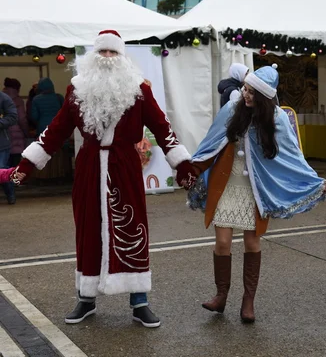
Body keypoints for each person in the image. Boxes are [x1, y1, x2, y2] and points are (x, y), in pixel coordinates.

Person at [12, 30, 196, 328]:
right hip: (89, 168)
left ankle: (139, 301)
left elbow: (162, 127)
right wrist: (27, 163)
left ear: (122, 58)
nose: (108, 58)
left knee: (133, 227)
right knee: (88, 229)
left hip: (124, 166)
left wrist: (182, 164)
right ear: (93, 57)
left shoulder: (139, 89)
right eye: (103, 53)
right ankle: (86, 298)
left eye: (113, 53)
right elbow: (56, 130)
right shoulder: (77, 90)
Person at [188, 64, 326, 323]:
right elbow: (210, 142)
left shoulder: (277, 118)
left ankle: (248, 301)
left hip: (257, 188)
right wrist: (190, 167)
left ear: (264, 96)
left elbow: (292, 156)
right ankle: (221, 296)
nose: (246, 94)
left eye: (252, 92)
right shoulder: (232, 109)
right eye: (245, 89)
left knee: (252, 243)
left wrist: (315, 182)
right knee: (222, 243)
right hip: (227, 184)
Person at [3, 78, 28, 167]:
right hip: (16, 136)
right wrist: (26, 132)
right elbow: (22, 119)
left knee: (3, 166)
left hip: (3, 135)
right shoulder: (18, 101)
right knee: (15, 167)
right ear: (17, 88)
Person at [0, 90, 17, 204]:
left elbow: (13, 116)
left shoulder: (3, 98)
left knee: (1, 168)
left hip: (1, 143)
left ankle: (10, 194)